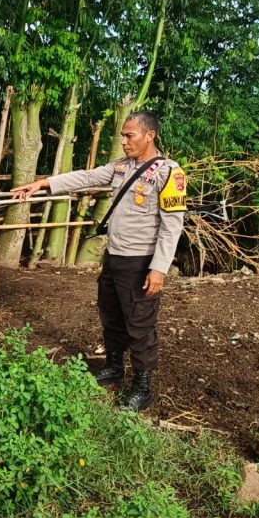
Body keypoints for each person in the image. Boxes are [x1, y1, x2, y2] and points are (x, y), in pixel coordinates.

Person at [11, 111, 187, 411]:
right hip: (114, 257)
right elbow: (86, 177)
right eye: (122, 135)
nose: (124, 141)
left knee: (140, 325)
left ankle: (142, 388)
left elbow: (173, 225)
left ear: (149, 135)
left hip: (141, 261)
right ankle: (114, 367)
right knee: (112, 315)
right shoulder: (121, 167)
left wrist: (159, 269)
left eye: (129, 135)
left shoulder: (170, 173)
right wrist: (42, 185)